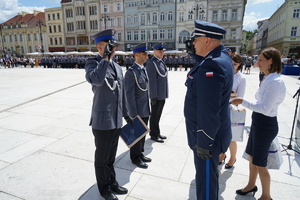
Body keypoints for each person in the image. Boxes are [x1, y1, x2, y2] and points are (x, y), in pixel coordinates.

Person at [184, 20, 233, 200]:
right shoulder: (221, 57)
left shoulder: (210, 67)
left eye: (195, 39)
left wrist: (204, 142)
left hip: (207, 139)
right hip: (216, 134)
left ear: (206, 40)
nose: (192, 43)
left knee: (205, 184)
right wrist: (195, 55)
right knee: (210, 177)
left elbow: (208, 109)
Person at [231, 47, 286, 200]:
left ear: (271, 61)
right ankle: (251, 185)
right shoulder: (267, 77)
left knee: (261, 162)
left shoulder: (275, 81)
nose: (257, 63)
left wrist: (243, 101)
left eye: (261, 60)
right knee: (252, 157)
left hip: (266, 124)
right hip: (258, 122)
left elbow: (266, 109)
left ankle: (266, 196)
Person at [85, 29, 128, 200]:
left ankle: (112, 182)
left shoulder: (117, 66)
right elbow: (95, 79)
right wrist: (105, 59)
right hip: (102, 121)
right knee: (102, 158)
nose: (113, 50)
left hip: (116, 119)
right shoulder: (92, 63)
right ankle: (104, 189)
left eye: (114, 47)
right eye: (109, 46)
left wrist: (126, 115)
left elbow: (121, 93)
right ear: (99, 47)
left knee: (111, 157)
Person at [124, 43, 152, 169]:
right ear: (136, 55)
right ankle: (135, 157)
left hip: (145, 108)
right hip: (137, 111)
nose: (146, 56)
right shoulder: (131, 73)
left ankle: (140, 153)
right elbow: (129, 95)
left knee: (143, 133)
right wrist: (133, 114)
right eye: (144, 53)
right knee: (136, 135)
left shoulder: (143, 69)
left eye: (146, 53)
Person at [219, 52, 246, 169]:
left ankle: (232, 158)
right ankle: (222, 154)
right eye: (230, 64)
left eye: (234, 64)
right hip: (220, 107)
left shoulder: (241, 78)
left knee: (231, 137)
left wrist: (231, 95)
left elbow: (240, 97)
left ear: (239, 65)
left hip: (232, 108)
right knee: (220, 135)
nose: (232, 66)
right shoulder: (224, 74)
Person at [146, 42, 169, 143]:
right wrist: (153, 96)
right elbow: (152, 81)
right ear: (154, 51)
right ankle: (153, 134)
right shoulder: (152, 63)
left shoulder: (160, 62)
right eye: (160, 51)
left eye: (163, 51)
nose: (162, 52)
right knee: (155, 115)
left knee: (158, 115)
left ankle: (157, 132)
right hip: (156, 95)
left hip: (162, 94)